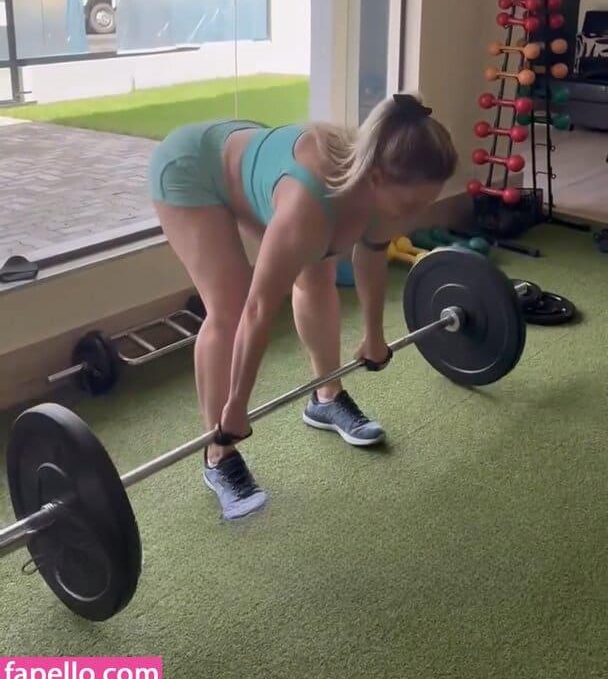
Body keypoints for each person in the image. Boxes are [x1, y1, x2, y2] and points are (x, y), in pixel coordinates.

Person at [149, 93, 458, 520]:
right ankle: (218, 452)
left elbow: (371, 257)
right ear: (376, 178)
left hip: (251, 157)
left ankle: (326, 397)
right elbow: (259, 310)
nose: (413, 216)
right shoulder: (307, 205)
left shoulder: (380, 179)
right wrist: (236, 405)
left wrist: (374, 335)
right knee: (230, 307)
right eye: (409, 205)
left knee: (316, 274)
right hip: (193, 168)